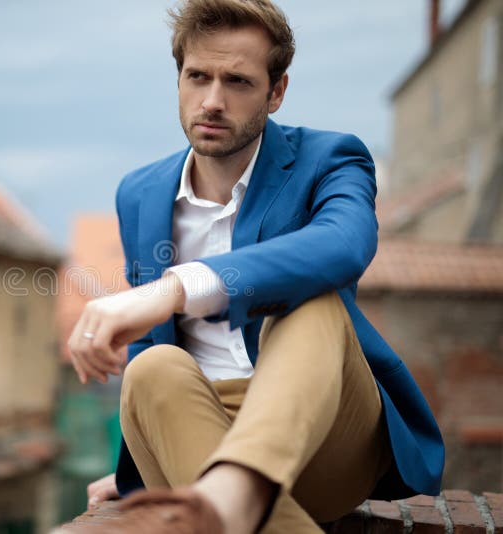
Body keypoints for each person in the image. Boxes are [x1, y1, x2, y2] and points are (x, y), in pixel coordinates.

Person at [62, 1, 444, 532]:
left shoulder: (330, 159)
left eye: (238, 82)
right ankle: (230, 498)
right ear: (179, 80)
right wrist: (137, 466)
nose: (212, 101)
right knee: (150, 367)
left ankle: (233, 488)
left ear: (276, 91)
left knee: (312, 304)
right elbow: (153, 346)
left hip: (323, 431)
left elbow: (344, 244)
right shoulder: (140, 194)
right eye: (198, 76)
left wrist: (174, 288)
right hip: (200, 423)